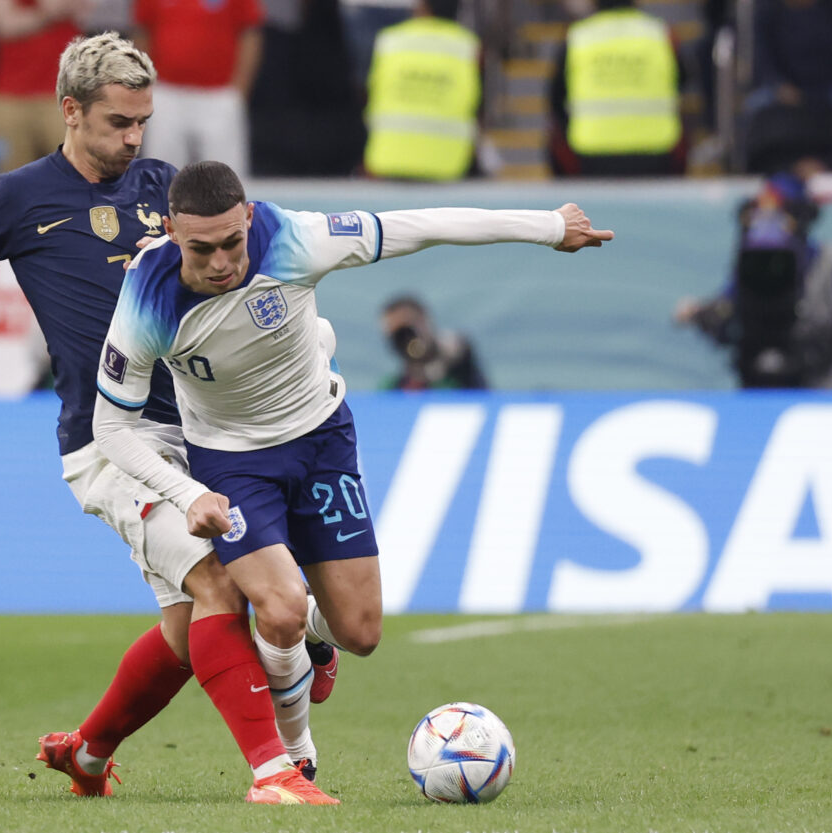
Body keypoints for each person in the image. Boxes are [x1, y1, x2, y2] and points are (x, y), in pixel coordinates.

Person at [0, 33, 334, 806]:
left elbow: (238, 273)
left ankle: (88, 752)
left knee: (192, 637)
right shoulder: (18, 198)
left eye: (143, 120)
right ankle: (276, 772)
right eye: (119, 121)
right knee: (220, 584)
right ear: (70, 111)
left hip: (201, 435)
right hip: (107, 443)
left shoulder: (165, 185)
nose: (135, 137)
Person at [92, 160, 613, 791]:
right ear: (172, 231)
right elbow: (112, 428)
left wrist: (548, 225)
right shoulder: (147, 297)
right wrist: (190, 492)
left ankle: (319, 637)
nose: (223, 261)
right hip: (230, 463)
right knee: (277, 609)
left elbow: (422, 224)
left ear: (249, 217)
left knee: (360, 632)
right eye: (203, 248)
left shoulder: (294, 239)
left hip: (321, 440)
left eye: (233, 242)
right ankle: (295, 759)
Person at [673, 172, 832, 388]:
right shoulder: (753, 263)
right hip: (759, 379)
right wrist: (699, 312)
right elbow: (727, 303)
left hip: (822, 386)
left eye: (778, 214)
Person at [547, 0, 685, 177]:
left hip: (591, 154)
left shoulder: (578, 36)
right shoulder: (660, 33)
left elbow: (556, 99)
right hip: (656, 152)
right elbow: (682, 82)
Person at [131, 0, 264, 177]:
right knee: (160, 175)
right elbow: (142, 30)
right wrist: (144, 85)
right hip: (166, 93)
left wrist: (239, 90)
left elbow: (250, 33)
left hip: (218, 95)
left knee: (225, 178)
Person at [742, 0, 832, 174]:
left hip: (831, 85)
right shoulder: (768, 10)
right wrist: (779, 85)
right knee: (754, 105)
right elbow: (762, 56)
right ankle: (756, 167)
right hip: (785, 87)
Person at [362, 0, 482, 181]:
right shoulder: (468, 46)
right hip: (448, 164)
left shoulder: (390, 40)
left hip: (387, 159)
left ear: (422, 7)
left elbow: (370, 91)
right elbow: (477, 105)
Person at [0, 0, 84, 173]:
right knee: (9, 177)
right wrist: (47, 13)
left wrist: (34, 12)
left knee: (76, 173)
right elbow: (6, 25)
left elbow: (85, 9)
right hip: (10, 96)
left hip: (64, 94)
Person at [379, 294, 487, 390]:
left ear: (425, 321)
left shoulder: (460, 367)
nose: (406, 339)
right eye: (397, 335)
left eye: (408, 331)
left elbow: (458, 349)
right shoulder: (393, 387)